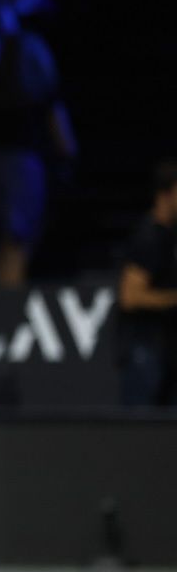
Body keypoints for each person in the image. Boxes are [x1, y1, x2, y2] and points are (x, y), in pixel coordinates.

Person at [116, 161, 177, 407]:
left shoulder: (169, 236)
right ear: (165, 193)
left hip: (165, 348)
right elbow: (130, 297)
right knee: (141, 423)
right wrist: (173, 298)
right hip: (144, 350)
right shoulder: (148, 237)